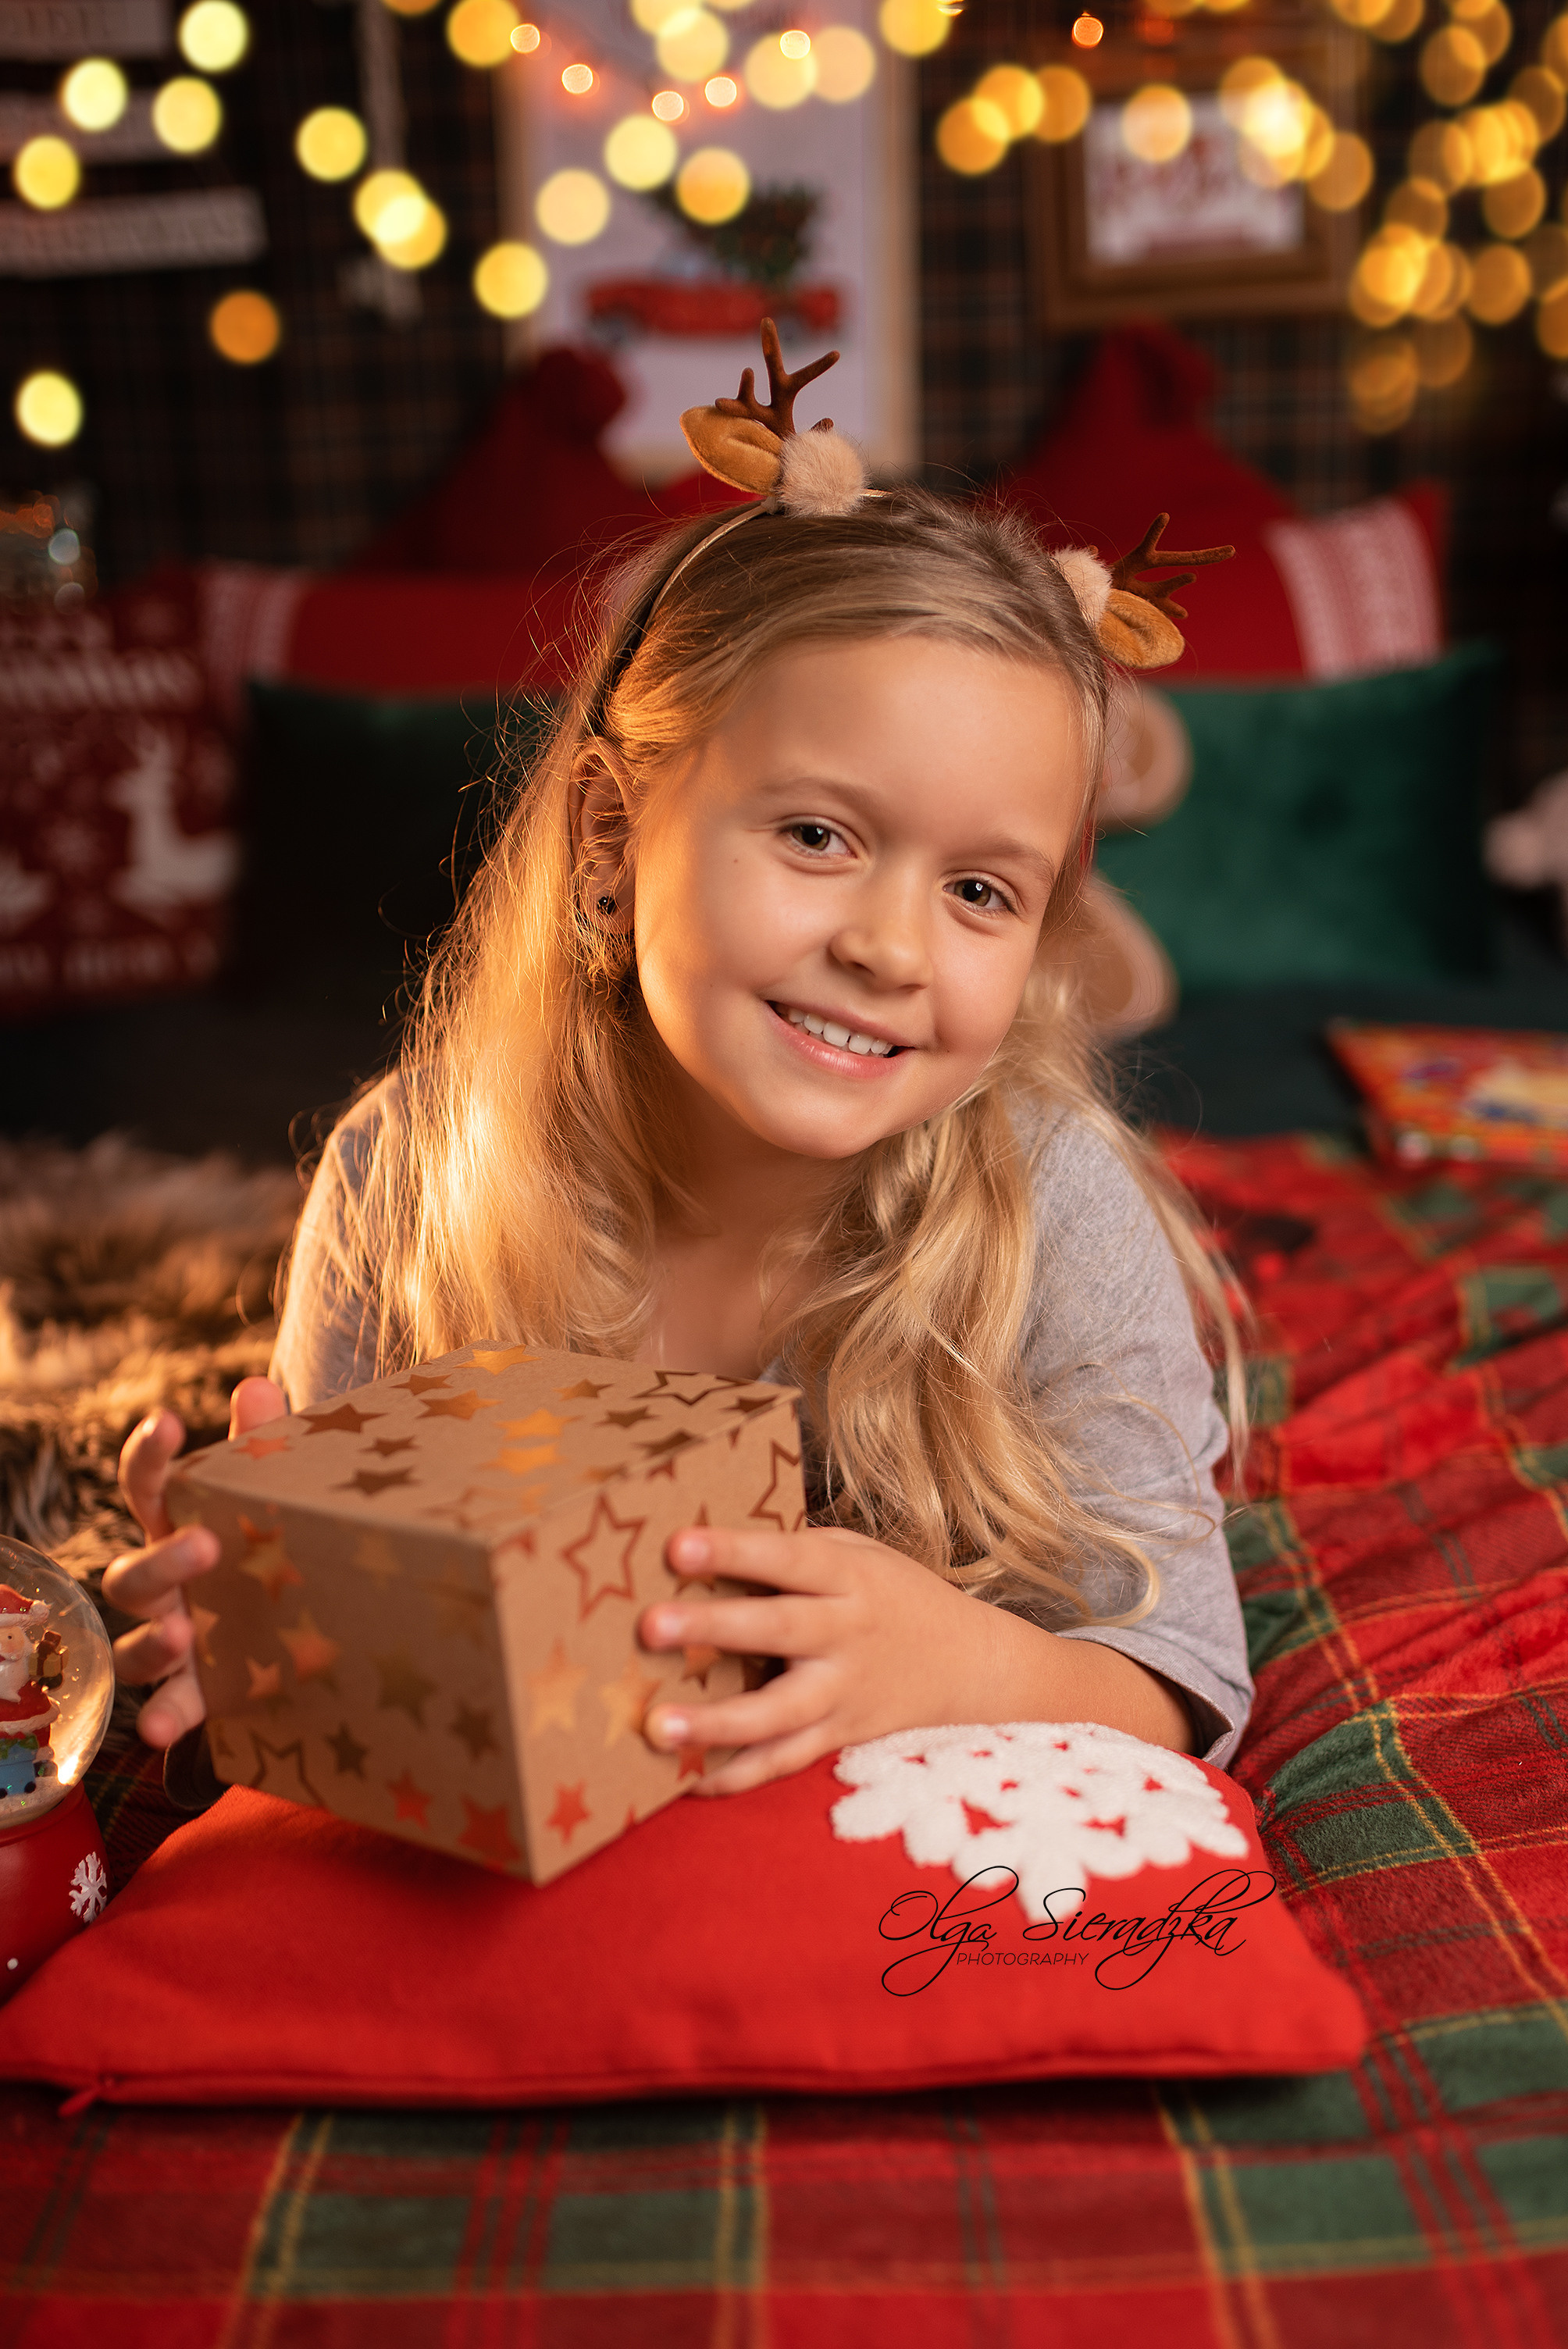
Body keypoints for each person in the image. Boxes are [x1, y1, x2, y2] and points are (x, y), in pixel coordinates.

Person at [104, 329, 1253, 1795]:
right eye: (819, 836)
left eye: (982, 892)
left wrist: (967, 1665)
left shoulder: (1054, 1215)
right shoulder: (409, 1181)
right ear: (609, 842)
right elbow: (357, 1645)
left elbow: (1187, 1680)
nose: (895, 950)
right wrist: (260, 1625)